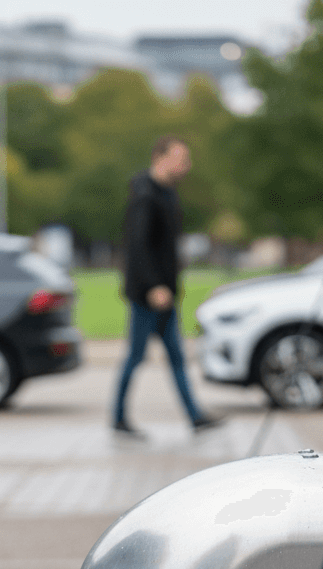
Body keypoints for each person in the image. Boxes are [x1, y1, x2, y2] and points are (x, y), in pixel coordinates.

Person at [113, 135, 222, 437]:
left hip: (166, 293)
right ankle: (118, 417)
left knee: (176, 357)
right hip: (150, 294)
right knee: (136, 356)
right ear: (160, 158)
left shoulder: (167, 194)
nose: (186, 165)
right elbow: (138, 246)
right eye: (181, 159)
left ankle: (194, 415)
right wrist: (153, 286)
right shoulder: (145, 196)